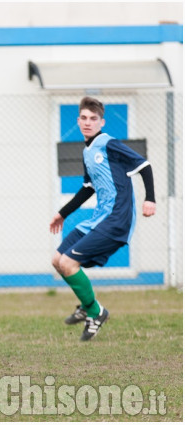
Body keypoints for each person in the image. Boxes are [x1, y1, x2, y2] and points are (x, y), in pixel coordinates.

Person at [50, 96, 156, 341]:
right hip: (99, 218)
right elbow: (88, 188)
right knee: (57, 260)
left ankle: (96, 311)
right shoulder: (87, 151)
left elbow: (145, 165)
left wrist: (150, 198)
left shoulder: (108, 143)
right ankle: (88, 306)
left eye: (93, 119)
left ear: (101, 122)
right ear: (78, 121)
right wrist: (62, 213)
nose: (88, 123)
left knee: (68, 264)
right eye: (84, 118)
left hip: (116, 219)